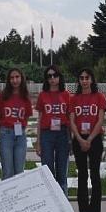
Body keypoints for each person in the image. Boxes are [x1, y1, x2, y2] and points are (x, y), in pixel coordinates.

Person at [69, 68, 106, 212]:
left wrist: (89, 139)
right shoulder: (74, 99)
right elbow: (71, 121)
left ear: (92, 80)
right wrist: (79, 139)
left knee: (95, 175)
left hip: (94, 139)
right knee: (82, 175)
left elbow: (100, 120)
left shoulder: (99, 97)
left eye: (87, 78)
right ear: (79, 81)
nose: (84, 80)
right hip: (79, 139)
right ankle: (83, 210)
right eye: (81, 78)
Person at [35, 65, 71, 196]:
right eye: (49, 76)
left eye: (54, 75)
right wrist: (38, 141)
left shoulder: (66, 95)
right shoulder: (43, 95)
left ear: (59, 77)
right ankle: (52, 209)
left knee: (62, 172)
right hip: (47, 134)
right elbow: (39, 119)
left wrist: (71, 139)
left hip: (62, 133)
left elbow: (70, 118)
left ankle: (64, 207)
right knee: (48, 171)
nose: (52, 79)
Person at [0, 68, 32, 180]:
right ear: (8, 80)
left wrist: (21, 127)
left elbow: (27, 115)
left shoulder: (25, 96)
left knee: (19, 172)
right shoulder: (3, 95)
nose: (14, 80)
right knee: (7, 172)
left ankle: (18, 197)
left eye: (17, 77)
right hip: (6, 134)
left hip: (20, 135)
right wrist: (1, 130)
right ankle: (7, 197)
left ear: (21, 78)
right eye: (12, 78)